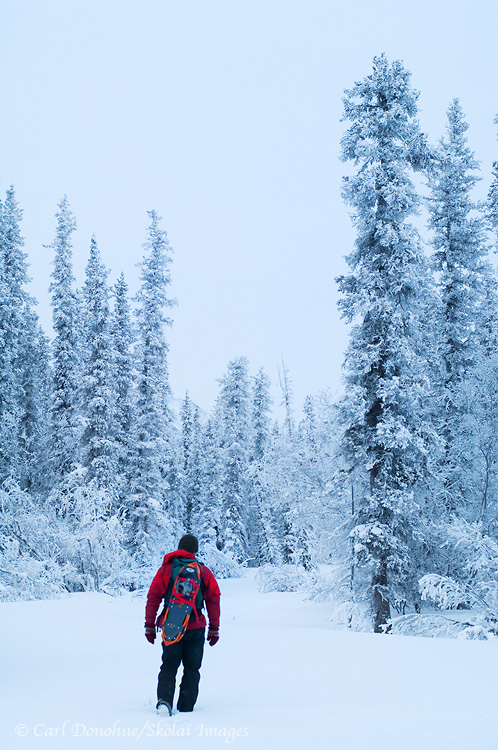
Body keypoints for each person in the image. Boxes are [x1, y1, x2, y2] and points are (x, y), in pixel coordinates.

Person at [145, 534, 221, 715]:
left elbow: (153, 597)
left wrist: (149, 625)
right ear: (195, 550)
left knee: (169, 664)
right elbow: (214, 599)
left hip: (171, 626)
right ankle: (186, 707)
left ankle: (164, 701)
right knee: (192, 668)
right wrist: (214, 628)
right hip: (196, 626)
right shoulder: (203, 572)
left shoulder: (166, 570)